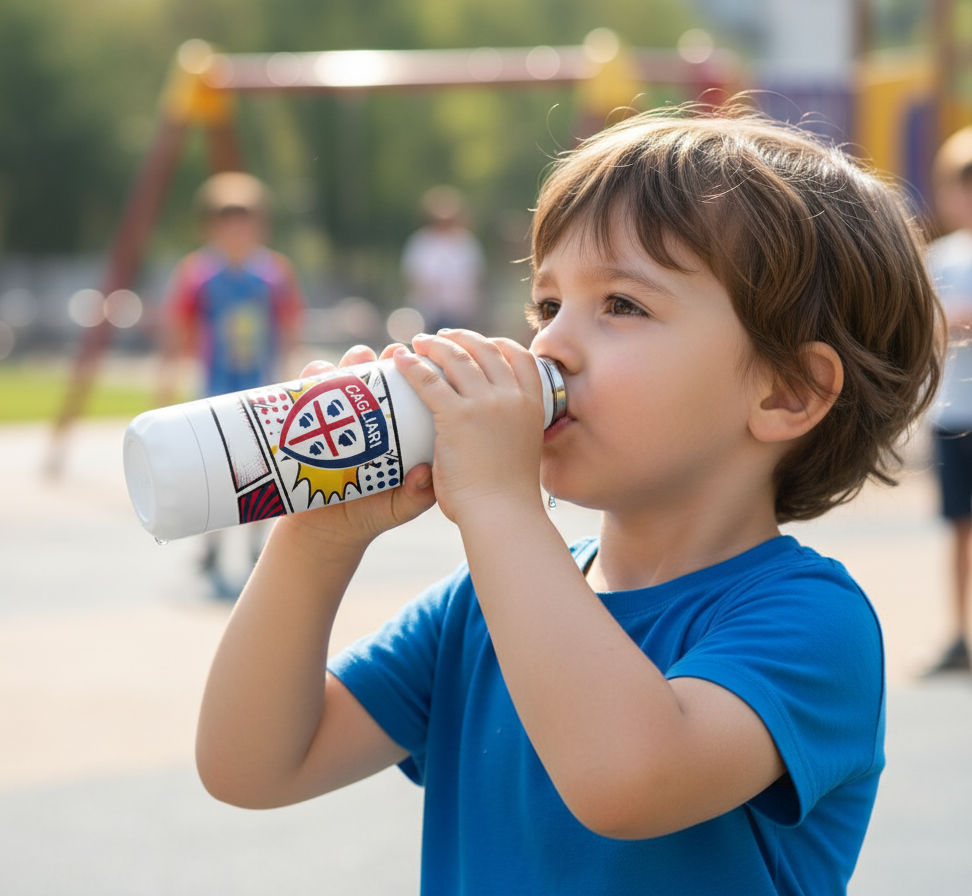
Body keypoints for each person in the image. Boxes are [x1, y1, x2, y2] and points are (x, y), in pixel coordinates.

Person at [195, 104, 943, 893]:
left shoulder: (811, 621)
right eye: (548, 306)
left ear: (789, 391)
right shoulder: (479, 610)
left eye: (622, 305)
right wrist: (316, 543)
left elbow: (625, 780)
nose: (547, 345)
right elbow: (253, 766)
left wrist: (499, 502)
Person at [158, 171, 305, 598]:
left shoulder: (273, 274)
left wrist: (292, 378)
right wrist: (166, 380)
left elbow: (289, 326)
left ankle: (259, 543)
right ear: (211, 227)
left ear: (259, 225)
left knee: (260, 468)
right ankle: (213, 544)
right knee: (214, 471)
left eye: (245, 221)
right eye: (227, 221)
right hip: (215, 388)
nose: (236, 230)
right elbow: (176, 328)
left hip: (259, 387)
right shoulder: (199, 274)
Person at [923, 127, 972, 674]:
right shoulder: (939, 258)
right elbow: (920, 331)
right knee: (959, 528)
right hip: (953, 415)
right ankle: (960, 633)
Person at [400, 185, 486, 333]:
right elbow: (412, 278)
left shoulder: (467, 243)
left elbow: (477, 276)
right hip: (428, 314)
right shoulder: (421, 242)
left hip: (461, 313)